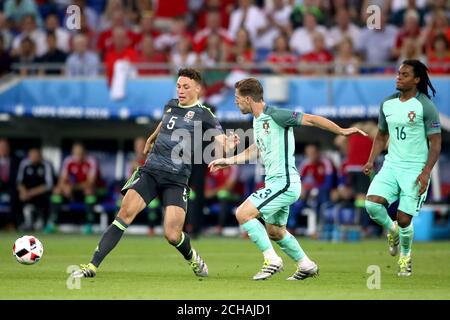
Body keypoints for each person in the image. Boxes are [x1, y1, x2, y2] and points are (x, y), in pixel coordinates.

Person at [72, 68, 239, 279]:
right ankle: (92, 266)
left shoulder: (204, 114)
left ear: (198, 89)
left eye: (186, 86)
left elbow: (222, 140)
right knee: (124, 215)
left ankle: (193, 258)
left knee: (172, 235)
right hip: (151, 171)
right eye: (178, 86)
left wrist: (231, 146)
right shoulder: (170, 105)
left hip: (176, 179)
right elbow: (165, 122)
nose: (180, 90)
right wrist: (152, 137)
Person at [209, 78, 366, 280]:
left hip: (284, 182)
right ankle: (306, 265)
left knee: (243, 213)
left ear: (248, 99)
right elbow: (257, 149)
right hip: (275, 182)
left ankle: (272, 260)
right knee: (275, 231)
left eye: (237, 98)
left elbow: (311, 119)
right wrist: (229, 161)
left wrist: (342, 131)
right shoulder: (257, 120)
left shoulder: (276, 115)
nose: (235, 102)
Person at [363, 60, 442, 277]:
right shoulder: (387, 104)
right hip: (391, 165)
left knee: (405, 218)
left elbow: (436, 142)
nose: (399, 77)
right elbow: (381, 136)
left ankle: (405, 257)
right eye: (398, 73)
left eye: (405, 74)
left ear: (417, 79)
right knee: (372, 205)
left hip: (415, 169)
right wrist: (371, 160)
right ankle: (392, 230)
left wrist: (426, 172)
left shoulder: (425, 106)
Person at [48, 142, 99, 234]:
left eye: (80, 153)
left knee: (89, 191)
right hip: (72, 191)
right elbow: (61, 180)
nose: (78, 156)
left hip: (85, 190)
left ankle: (89, 224)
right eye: (75, 153)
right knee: (57, 190)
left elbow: (90, 182)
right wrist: (66, 187)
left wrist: (72, 187)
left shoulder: (91, 161)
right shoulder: (68, 161)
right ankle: (53, 223)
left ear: (84, 153)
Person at [16, 148, 54, 231]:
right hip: (26, 193)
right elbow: (19, 182)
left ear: (40, 156)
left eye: (36, 156)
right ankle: (21, 222)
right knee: (16, 196)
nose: (34, 157)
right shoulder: (24, 164)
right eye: (32, 156)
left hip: (40, 194)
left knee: (48, 198)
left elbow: (49, 185)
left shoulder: (46, 165)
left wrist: (31, 193)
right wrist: (23, 192)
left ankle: (42, 221)